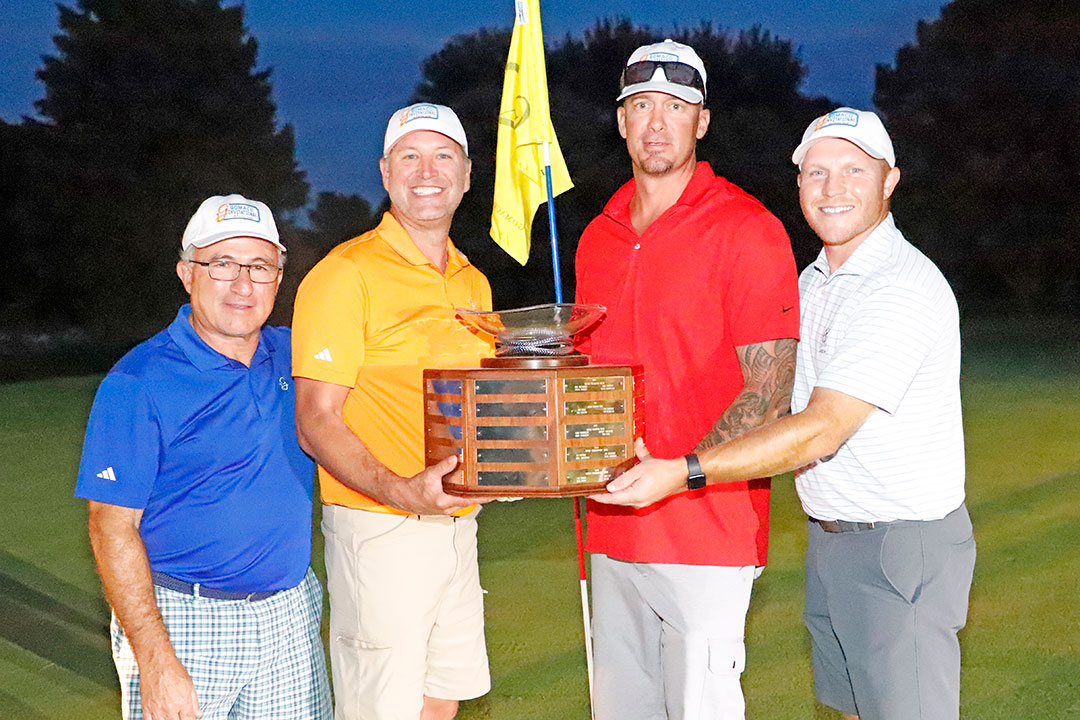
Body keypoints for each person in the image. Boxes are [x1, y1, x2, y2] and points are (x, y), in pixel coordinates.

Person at [595, 108, 976, 720]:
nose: (833, 188)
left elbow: (822, 427)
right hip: (834, 540)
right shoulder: (818, 280)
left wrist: (686, 470)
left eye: (855, 170)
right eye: (816, 172)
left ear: (890, 182)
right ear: (798, 184)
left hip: (900, 546)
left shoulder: (897, 287)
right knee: (850, 710)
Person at [574, 40, 801, 720]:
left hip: (707, 533)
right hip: (611, 530)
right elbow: (587, 386)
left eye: (676, 106)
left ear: (702, 122)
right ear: (621, 120)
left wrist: (682, 470)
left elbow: (770, 392)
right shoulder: (596, 236)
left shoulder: (748, 230)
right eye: (641, 105)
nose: (656, 123)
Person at [75, 194, 331, 720]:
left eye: (259, 267)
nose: (242, 285)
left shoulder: (299, 356)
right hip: (185, 620)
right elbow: (111, 526)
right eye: (222, 265)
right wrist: (155, 659)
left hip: (290, 618)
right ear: (187, 273)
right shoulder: (138, 382)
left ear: (279, 280)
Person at [291, 103, 494, 720]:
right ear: (385, 172)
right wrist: (403, 491)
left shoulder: (473, 283)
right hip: (380, 525)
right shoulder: (343, 275)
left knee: (441, 696)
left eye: (443, 157)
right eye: (409, 156)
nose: (425, 171)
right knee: (382, 707)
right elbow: (315, 418)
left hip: (459, 521)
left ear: (465, 176)